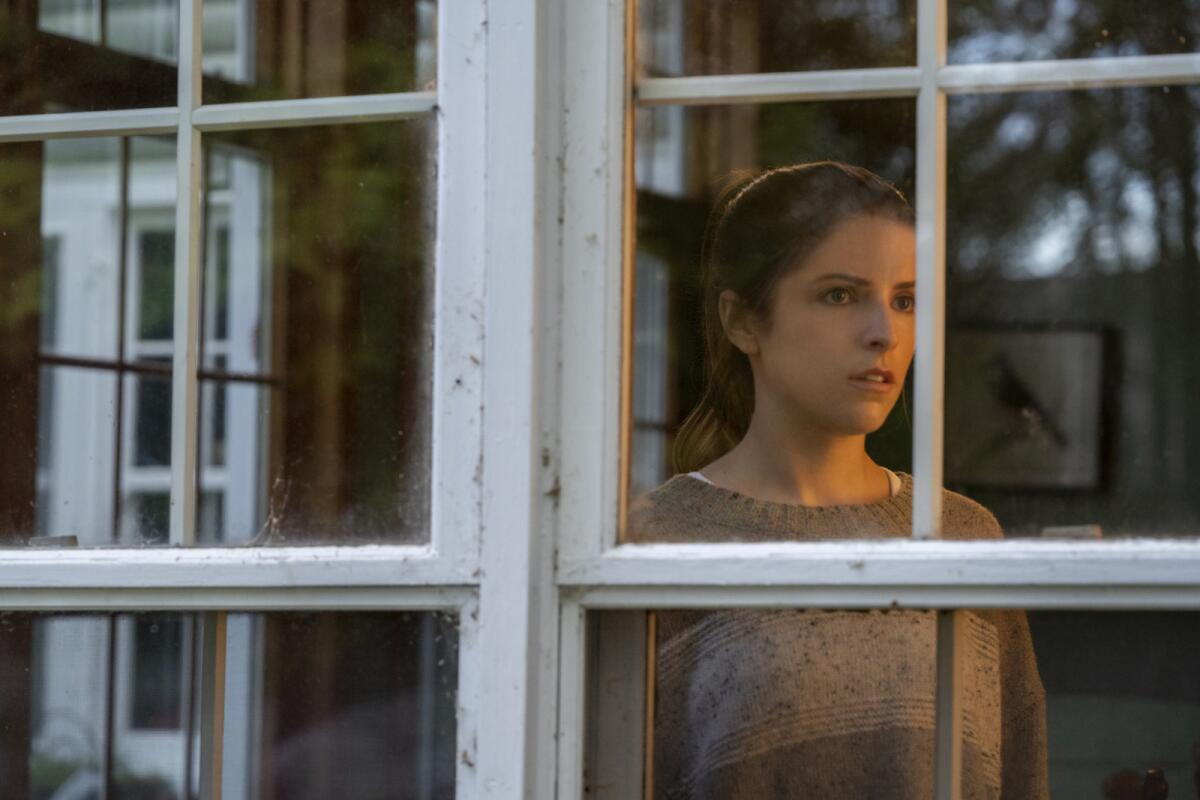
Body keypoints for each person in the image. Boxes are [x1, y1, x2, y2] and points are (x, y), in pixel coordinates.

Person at [626, 162, 1049, 798]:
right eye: (839, 295)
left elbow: (1020, 776)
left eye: (905, 300)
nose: (884, 333)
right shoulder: (655, 543)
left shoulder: (962, 535)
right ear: (743, 322)